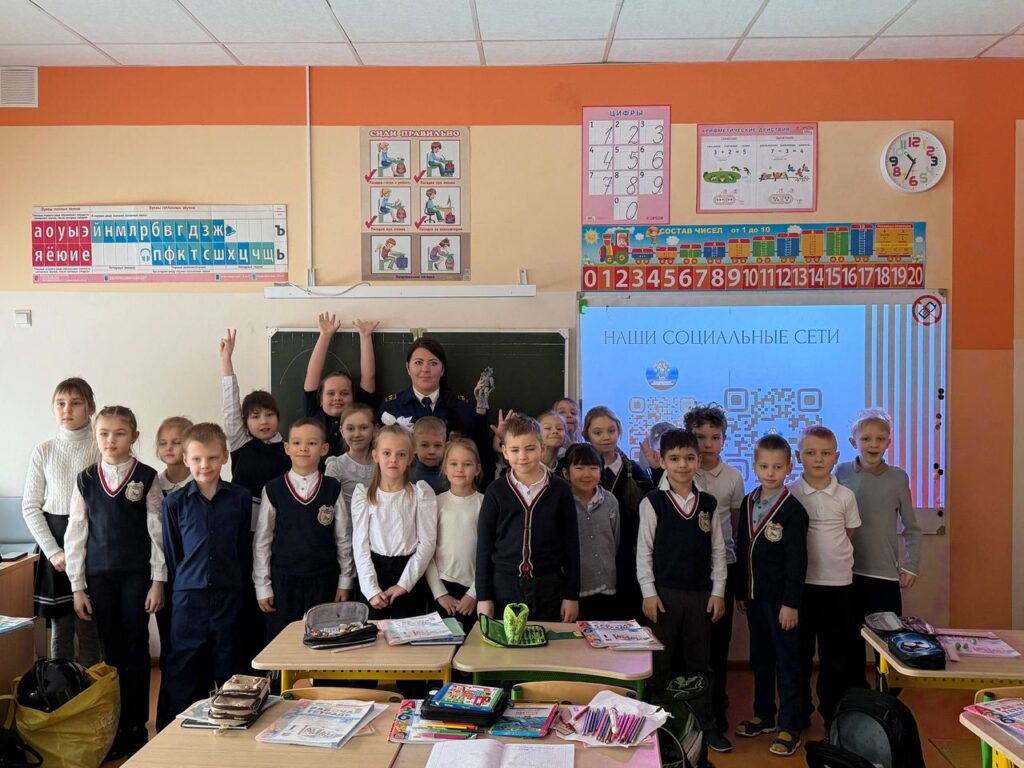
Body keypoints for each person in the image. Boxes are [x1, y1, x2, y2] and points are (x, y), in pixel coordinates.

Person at [65, 405, 165, 759]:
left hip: (137, 576)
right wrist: (77, 586)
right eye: (104, 433)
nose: (111, 440)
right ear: (95, 437)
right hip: (99, 578)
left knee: (137, 648)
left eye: (120, 433)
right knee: (112, 652)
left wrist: (158, 580)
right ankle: (115, 726)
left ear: (134, 437)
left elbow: (157, 533)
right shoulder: (85, 479)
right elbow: (76, 533)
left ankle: (136, 728)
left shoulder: (147, 477)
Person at [636, 428, 730, 753]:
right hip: (663, 595)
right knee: (660, 662)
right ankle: (660, 725)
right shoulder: (653, 502)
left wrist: (718, 591)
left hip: (701, 595)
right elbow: (644, 551)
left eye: (689, 458)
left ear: (698, 460)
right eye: (674, 458)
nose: (682, 465)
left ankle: (706, 724)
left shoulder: (708, 503)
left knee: (699, 663)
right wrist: (648, 592)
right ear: (662, 461)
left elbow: (718, 550)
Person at [160, 423, 252, 730]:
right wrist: (189, 582)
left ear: (224, 456)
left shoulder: (240, 497)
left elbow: (242, 547)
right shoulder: (174, 503)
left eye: (212, 458)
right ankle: (176, 732)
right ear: (186, 459)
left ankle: (233, 726)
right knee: (184, 667)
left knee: (229, 663)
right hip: (189, 598)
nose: (205, 465)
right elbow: (173, 553)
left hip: (229, 595)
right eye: (197, 459)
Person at [734, 434, 809, 757]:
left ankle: (790, 724)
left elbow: (797, 561)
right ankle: (764, 714)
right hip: (754, 597)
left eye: (778, 467)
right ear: (754, 466)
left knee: (787, 661)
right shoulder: (748, 502)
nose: (770, 472)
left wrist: (791, 602)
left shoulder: (793, 509)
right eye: (764, 466)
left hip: (782, 603)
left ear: (789, 468)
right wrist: (741, 590)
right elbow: (742, 549)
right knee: (760, 658)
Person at [836, 408, 922, 689]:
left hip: (884, 577)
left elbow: (911, 527)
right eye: (866, 438)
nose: (873, 444)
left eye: (880, 439)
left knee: (888, 643)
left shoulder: (898, 478)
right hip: (847, 575)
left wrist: (911, 565)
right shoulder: (841, 472)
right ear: (854, 442)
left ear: (889, 442)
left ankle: (886, 699)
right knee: (850, 641)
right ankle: (858, 698)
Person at [219, 328, 290, 667]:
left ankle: (274, 662)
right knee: (247, 594)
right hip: (244, 531)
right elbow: (230, 406)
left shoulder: (288, 448)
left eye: (269, 414)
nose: (263, 421)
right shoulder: (239, 443)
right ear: (246, 421)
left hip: (279, 533)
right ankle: (247, 664)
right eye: (255, 416)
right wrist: (226, 360)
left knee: (271, 596)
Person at [21, 377, 103, 666]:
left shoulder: (101, 447)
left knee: (90, 626)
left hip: (93, 543)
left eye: (76, 403)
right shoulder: (44, 450)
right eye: (60, 403)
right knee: (61, 627)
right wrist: (53, 551)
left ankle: (93, 691)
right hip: (54, 543)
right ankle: (61, 689)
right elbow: (30, 507)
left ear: (90, 407)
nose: (67, 409)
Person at [786, 425, 861, 730]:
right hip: (801, 587)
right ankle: (799, 711)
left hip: (838, 586)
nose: (818, 459)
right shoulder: (790, 493)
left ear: (836, 457)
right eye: (811, 453)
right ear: (798, 457)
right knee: (799, 653)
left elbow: (849, 532)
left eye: (825, 453)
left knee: (834, 656)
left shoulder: (845, 495)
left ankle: (833, 714)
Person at [254, 418, 353, 641]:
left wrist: (345, 580)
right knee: (282, 644)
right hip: (284, 581)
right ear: (287, 448)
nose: (303, 448)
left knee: (326, 642)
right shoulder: (273, 489)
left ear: (324, 449)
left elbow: (343, 538)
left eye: (312, 443)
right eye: (297, 443)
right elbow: (262, 542)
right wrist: (263, 585)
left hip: (324, 579)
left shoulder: (332, 488)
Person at [476, 415, 580, 623]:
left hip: (548, 586)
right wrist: (483, 596)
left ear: (542, 448)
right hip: (504, 586)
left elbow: (571, 545)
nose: (522, 456)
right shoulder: (495, 491)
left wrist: (571, 595)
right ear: (505, 451)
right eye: (514, 450)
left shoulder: (560, 490)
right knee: (507, 642)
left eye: (530, 448)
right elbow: (484, 547)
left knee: (547, 640)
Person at [684, 405, 745, 732]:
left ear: (724, 439)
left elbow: (736, 525)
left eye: (715, 437)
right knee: (690, 643)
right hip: (688, 571)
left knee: (718, 644)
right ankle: (690, 707)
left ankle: (717, 707)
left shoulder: (733, 477)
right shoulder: (681, 473)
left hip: (724, 567)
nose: (707, 444)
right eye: (700, 437)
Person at [350, 424, 437, 622]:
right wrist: (371, 590)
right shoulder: (364, 496)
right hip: (373, 571)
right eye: (387, 453)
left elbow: (427, 543)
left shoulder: (421, 494)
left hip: (410, 573)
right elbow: (360, 545)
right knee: (373, 632)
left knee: (408, 633)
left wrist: (404, 584)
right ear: (376, 456)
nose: (393, 460)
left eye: (401, 454)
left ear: (410, 458)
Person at [584, 405, 651, 620]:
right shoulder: (581, 472)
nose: (606, 437)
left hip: (625, 558)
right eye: (598, 432)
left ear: (619, 431)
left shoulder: (634, 470)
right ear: (587, 435)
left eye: (611, 431)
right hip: (588, 558)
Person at [378, 337, 490, 466]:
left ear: (442, 369)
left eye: (433, 363)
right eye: (418, 363)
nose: (425, 369)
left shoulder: (460, 406)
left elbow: (478, 447)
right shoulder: (392, 406)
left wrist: (481, 408)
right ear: (408, 367)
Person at [153, 415, 193, 729]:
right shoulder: (152, 484)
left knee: (190, 644)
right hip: (160, 576)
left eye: (177, 442)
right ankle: (168, 716)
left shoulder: (200, 482)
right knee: (169, 643)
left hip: (190, 578)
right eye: (163, 442)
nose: (170, 448)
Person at [425, 438, 483, 633]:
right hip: (442, 587)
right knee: (443, 644)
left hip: (474, 588)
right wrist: (440, 593)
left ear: (477, 469)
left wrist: (474, 593)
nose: (460, 469)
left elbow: (490, 553)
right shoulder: (436, 503)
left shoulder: (485, 504)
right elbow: (427, 552)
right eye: (453, 463)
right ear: (445, 468)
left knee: (472, 645)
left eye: (467, 464)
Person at [303, 312, 378, 458]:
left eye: (344, 393)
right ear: (320, 398)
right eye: (331, 393)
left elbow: (368, 376)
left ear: (353, 398)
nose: (337, 398)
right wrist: (324, 336)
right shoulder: (313, 414)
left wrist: (365, 336)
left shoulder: (361, 413)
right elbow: (312, 373)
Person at [561, 442, 620, 621]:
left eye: (593, 468)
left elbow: (615, 540)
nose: (587, 474)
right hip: (571, 591)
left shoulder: (610, 501)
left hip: (605, 586)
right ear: (566, 473)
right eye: (579, 468)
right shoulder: (561, 502)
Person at [325, 404, 376, 511]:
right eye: (350, 429)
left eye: (363, 428)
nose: (357, 434)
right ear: (342, 431)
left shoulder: (382, 463)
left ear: (375, 430)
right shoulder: (336, 466)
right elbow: (329, 506)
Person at [410, 416, 446, 494]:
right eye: (424, 445)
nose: (431, 451)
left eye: (437, 445)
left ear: (445, 447)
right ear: (414, 447)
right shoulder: (408, 478)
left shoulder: (451, 476)